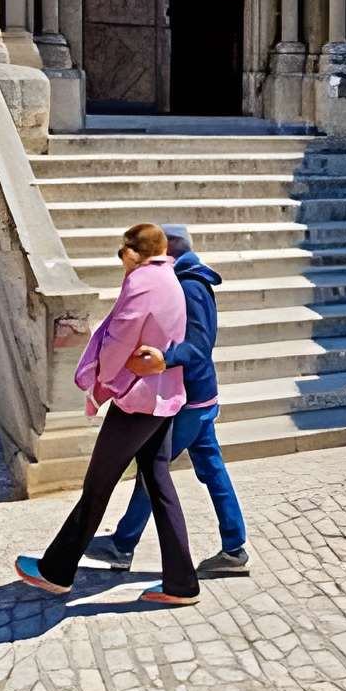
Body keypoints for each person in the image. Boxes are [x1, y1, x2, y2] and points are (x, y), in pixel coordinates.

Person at [14, 221, 199, 607]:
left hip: (137, 399)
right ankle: (182, 582)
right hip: (161, 399)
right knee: (159, 484)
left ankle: (56, 571)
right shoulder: (170, 278)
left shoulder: (143, 281)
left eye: (123, 255)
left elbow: (120, 337)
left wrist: (105, 381)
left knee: (98, 485)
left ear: (133, 253)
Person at [92, 224, 248, 578]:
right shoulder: (185, 280)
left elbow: (199, 345)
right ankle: (234, 547)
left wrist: (165, 357)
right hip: (200, 397)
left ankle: (122, 544)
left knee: (153, 469)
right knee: (210, 469)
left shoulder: (191, 286)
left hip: (191, 401)